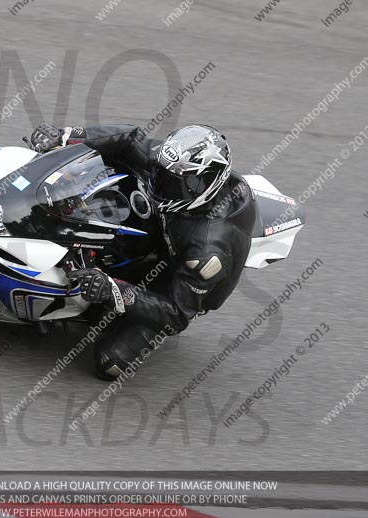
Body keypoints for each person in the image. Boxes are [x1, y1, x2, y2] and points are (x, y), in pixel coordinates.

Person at [29, 123, 256, 380]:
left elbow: (176, 314)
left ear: (206, 187)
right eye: (162, 174)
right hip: (167, 234)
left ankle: (117, 307)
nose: (160, 185)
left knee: (110, 362)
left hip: (175, 281)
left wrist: (113, 290)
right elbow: (130, 139)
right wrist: (67, 136)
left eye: (175, 184)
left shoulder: (207, 252)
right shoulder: (176, 168)